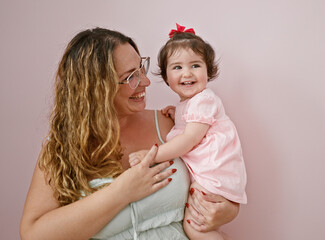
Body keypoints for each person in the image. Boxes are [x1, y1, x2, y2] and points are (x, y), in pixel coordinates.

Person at [20, 27, 239, 240]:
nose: (145, 82)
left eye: (141, 68)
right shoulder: (61, 148)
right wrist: (122, 191)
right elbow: (33, 234)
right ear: (97, 89)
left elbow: (219, 167)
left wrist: (228, 209)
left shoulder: (172, 124)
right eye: (130, 77)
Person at [128, 24, 247, 240]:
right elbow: (192, 126)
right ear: (165, 77)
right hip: (212, 174)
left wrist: (152, 154)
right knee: (200, 225)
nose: (187, 73)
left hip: (214, 176)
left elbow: (189, 140)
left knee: (195, 227)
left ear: (208, 71)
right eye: (177, 68)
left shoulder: (205, 100)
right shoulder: (190, 104)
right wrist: (178, 115)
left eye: (195, 65)